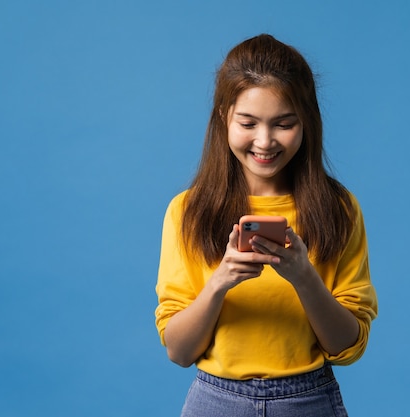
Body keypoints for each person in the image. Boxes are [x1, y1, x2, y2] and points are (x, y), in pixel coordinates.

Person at [155, 34, 378, 417]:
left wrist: (304, 276)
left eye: (284, 123)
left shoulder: (338, 209)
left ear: (306, 121)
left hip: (308, 399)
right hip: (216, 401)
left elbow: (347, 347)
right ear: (224, 115)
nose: (264, 140)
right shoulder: (187, 211)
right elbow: (178, 350)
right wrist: (222, 280)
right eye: (248, 122)